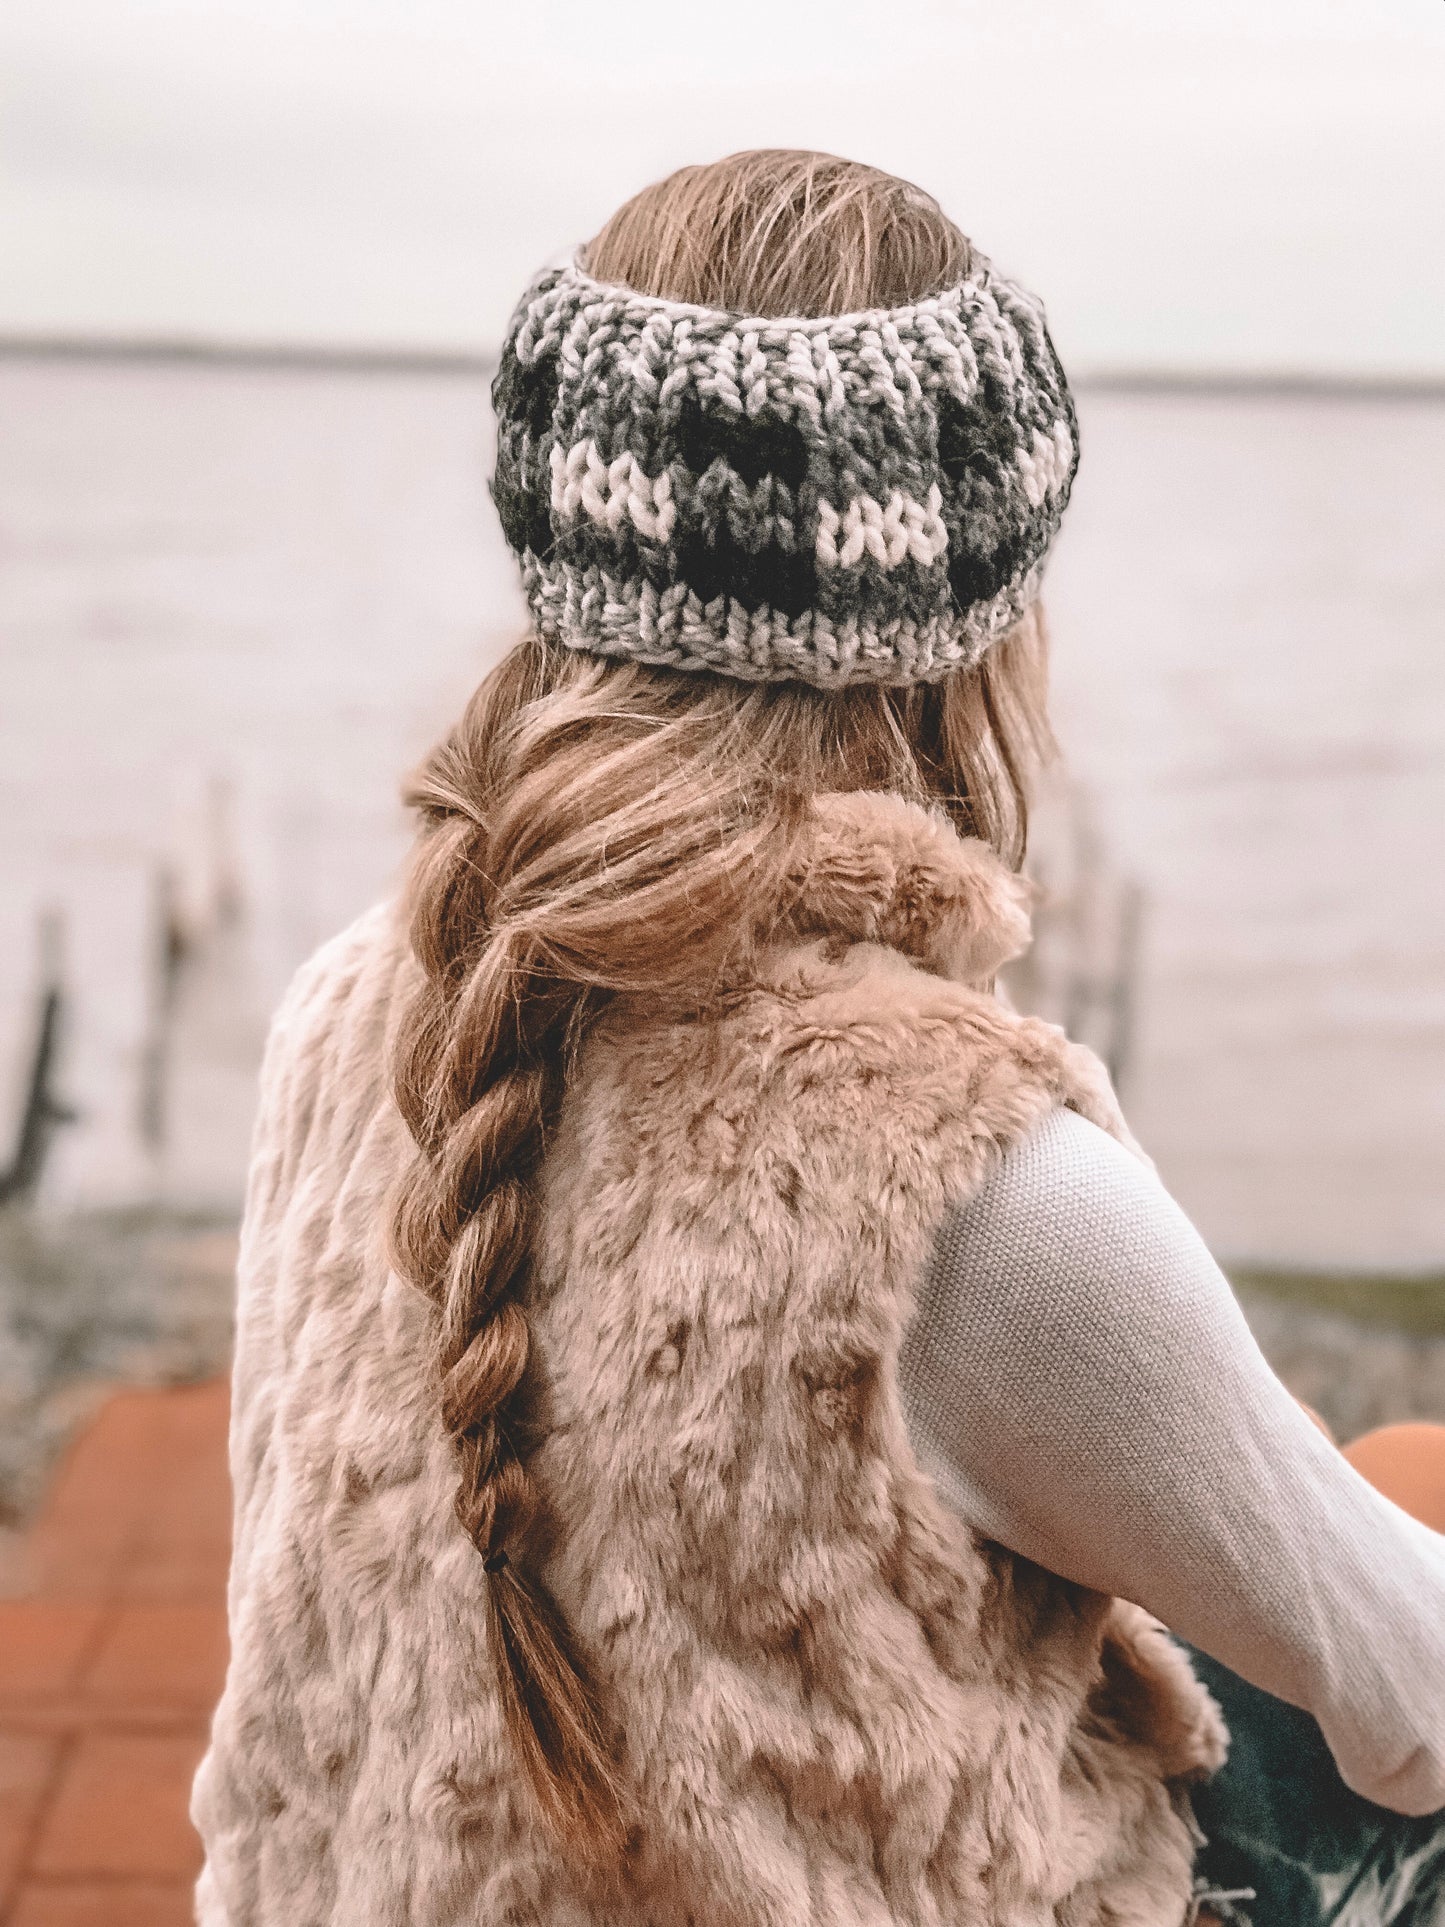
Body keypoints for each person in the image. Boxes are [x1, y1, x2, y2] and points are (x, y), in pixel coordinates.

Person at [191, 151, 1445, 1926]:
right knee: (1405, 1493)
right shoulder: (976, 1187)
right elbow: (1412, 1710)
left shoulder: (346, 1009)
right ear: (980, 621)